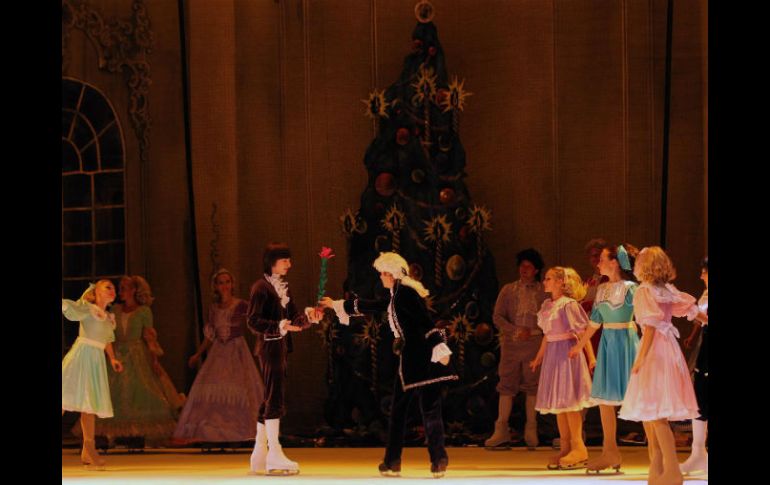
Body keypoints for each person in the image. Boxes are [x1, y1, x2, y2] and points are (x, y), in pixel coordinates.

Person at [320, 252, 458, 478]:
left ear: (392, 274)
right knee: (424, 411)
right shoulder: (398, 294)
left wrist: (438, 346)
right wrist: (337, 304)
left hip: (419, 360)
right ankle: (435, 461)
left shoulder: (405, 294)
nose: (381, 277)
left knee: (404, 412)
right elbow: (374, 305)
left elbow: (425, 321)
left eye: (383, 273)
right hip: (420, 360)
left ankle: (398, 462)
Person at [618, 247, 707, 485]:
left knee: (656, 415)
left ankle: (672, 470)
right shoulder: (666, 290)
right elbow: (693, 311)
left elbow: (650, 327)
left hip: (655, 350)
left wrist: (640, 358)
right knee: (652, 413)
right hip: (668, 349)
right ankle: (656, 466)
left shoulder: (645, 291)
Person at [247, 243, 322, 475]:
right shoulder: (261, 288)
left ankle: (260, 453)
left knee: (270, 395)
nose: (289, 264)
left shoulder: (281, 287)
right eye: (285, 260)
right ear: (272, 262)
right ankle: (274, 453)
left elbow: (294, 318)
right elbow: (253, 321)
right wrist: (279, 326)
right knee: (275, 396)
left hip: (279, 347)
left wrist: (309, 317)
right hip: (269, 347)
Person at [569, 244, 640, 473]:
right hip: (608, 344)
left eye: (602, 259)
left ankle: (658, 452)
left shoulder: (631, 289)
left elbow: (646, 319)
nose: (598, 263)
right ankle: (610, 451)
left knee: (641, 398)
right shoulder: (601, 289)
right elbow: (594, 322)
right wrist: (580, 345)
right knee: (605, 401)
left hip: (627, 343)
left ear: (614, 262)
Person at [173, 268, 262, 444]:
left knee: (238, 388)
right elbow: (210, 335)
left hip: (237, 350)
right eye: (221, 283)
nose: (224, 286)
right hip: (218, 352)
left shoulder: (241, 305)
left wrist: (261, 343)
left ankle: (240, 429)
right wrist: (197, 354)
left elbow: (255, 323)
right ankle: (216, 428)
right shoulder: (213, 308)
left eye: (227, 282)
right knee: (215, 389)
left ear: (232, 284)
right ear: (215, 286)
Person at [96, 275, 179, 446]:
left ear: (134, 290)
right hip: (118, 354)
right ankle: (110, 434)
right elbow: (108, 334)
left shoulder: (143, 311)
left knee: (140, 392)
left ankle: (137, 434)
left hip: (137, 356)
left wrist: (154, 360)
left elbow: (149, 337)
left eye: (124, 288)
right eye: (120, 288)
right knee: (115, 394)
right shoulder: (115, 310)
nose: (120, 291)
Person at [529, 267, 595, 470]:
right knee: (560, 404)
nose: (545, 282)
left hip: (567, 354)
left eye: (548, 278)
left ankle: (579, 447)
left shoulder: (568, 304)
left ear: (560, 282)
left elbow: (583, 332)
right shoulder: (547, 305)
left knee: (569, 403)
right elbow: (547, 336)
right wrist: (538, 358)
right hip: (553, 356)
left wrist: (590, 357)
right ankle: (565, 447)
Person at [485, 248, 547, 449]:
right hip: (511, 344)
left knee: (532, 385)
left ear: (536, 270)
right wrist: (515, 330)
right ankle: (501, 428)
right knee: (506, 384)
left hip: (535, 343)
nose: (524, 269)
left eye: (529, 266)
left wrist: (537, 331)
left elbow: (551, 317)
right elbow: (497, 316)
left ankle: (531, 428)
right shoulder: (508, 290)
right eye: (522, 265)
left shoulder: (543, 291)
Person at [62, 280, 124, 469]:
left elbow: (107, 340)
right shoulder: (87, 309)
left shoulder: (109, 318)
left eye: (114, 288)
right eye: (107, 287)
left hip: (96, 361)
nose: (112, 290)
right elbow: (71, 308)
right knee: (64, 398)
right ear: (95, 292)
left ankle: (88, 448)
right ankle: (89, 449)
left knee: (89, 405)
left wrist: (112, 359)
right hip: (82, 357)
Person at [679, 257, 708, 475]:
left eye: (704, 272)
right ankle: (698, 453)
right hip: (706, 347)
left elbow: (701, 316)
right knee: (700, 396)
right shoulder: (706, 293)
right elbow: (701, 319)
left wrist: (690, 310)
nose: (701, 276)